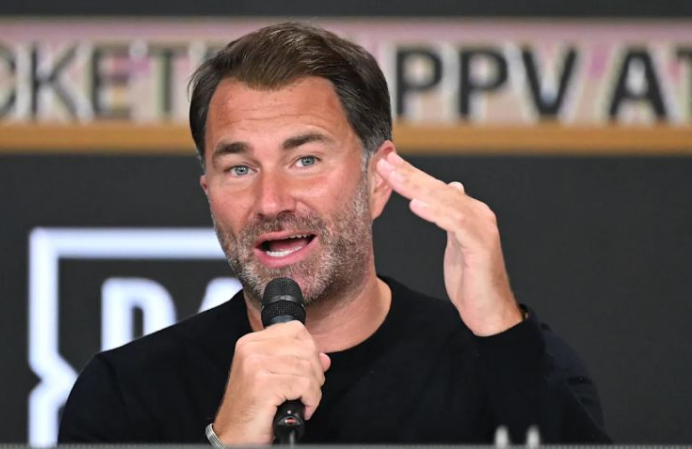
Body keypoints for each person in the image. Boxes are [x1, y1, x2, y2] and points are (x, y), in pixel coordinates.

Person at [58, 22, 610, 445]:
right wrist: (229, 440)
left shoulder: (514, 368)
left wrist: (501, 335)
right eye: (240, 169)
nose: (271, 202)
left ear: (377, 179)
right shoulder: (125, 394)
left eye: (305, 160)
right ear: (209, 191)